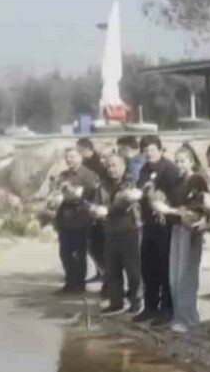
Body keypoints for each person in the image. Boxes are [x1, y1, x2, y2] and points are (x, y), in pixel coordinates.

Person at [163, 144, 210, 334]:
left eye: (182, 161)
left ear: (191, 162)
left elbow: (197, 207)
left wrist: (172, 210)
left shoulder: (197, 180)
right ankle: (179, 315)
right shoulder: (177, 180)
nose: (179, 165)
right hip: (176, 227)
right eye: (176, 162)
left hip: (190, 229)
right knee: (174, 274)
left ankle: (189, 317)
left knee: (186, 275)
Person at [135, 135, 180, 324]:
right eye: (145, 150)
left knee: (164, 267)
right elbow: (139, 191)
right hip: (149, 224)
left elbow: (175, 195)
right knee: (147, 266)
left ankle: (166, 309)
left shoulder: (169, 169)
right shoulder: (144, 169)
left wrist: (160, 199)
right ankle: (150, 307)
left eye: (151, 149)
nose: (148, 153)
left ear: (160, 150)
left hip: (165, 225)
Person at [93, 154, 143, 316]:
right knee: (112, 269)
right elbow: (97, 203)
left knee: (133, 269)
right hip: (110, 231)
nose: (111, 169)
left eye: (114, 166)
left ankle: (137, 301)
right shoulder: (102, 185)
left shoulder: (130, 182)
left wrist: (106, 210)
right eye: (108, 166)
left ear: (123, 166)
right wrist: (94, 211)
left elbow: (124, 202)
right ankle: (116, 302)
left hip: (129, 230)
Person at [49, 147, 101, 294]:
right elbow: (55, 193)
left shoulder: (88, 175)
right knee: (65, 253)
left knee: (79, 253)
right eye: (67, 157)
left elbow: (89, 195)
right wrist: (53, 200)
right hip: (64, 219)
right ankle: (69, 282)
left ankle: (79, 284)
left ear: (80, 157)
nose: (70, 160)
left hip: (80, 219)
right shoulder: (63, 175)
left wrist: (70, 192)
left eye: (73, 156)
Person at [77, 138, 107, 280]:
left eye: (78, 150)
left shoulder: (97, 165)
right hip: (88, 205)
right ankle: (100, 271)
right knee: (92, 242)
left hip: (97, 207)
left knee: (96, 242)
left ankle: (104, 272)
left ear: (85, 149)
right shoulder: (86, 163)